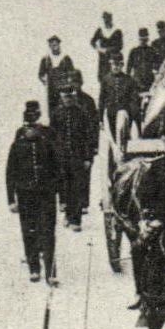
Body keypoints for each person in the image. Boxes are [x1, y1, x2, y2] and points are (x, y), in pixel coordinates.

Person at [6, 100, 63, 283]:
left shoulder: (47, 145)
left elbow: (57, 169)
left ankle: (51, 272)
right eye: (27, 127)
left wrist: (59, 194)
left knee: (48, 232)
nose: (30, 130)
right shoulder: (17, 146)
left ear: (38, 127)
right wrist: (11, 200)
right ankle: (34, 268)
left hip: (46, 194)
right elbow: (10, 174)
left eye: (33, 127)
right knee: (29, 231)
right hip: (25, 195)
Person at [51, 72, 100, 231]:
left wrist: (88, 157)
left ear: (74, 98)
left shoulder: (82, 113)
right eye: (65, 98)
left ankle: (76, 220)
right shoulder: (57, 114)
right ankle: (67, 215)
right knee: (64, 186)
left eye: (70, 97)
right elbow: (52, 136)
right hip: (62, 157)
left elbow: (88, 136)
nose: (68, 100)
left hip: (78, 157)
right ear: (62, 98)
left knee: (77, 187)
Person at [38, 36, 75, 114]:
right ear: (49, 46)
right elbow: (41, 74)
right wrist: (44, 81)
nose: (54, 47)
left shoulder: (65, 58)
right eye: (52, 45)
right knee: (52, 109)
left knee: (65, 107)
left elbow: (72, 72)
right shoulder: (46, 59)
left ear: (59, 45)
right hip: (52, 89)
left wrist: (69, 82)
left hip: (64, 88)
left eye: (56, 45)